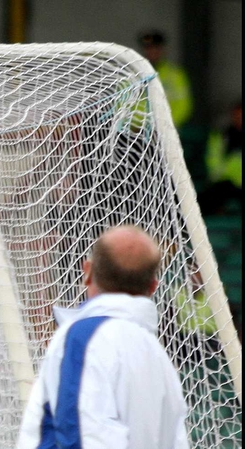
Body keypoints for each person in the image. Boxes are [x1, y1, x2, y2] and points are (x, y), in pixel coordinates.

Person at [16, 225, 189, 449]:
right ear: (153, 286)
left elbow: (82, 434)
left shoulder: (82, 338)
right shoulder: (160, 359)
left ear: (87, 270)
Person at [138, 30, 193, 130]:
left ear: (162, 50)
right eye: (148, 48)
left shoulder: (175, 75)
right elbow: (122, 103)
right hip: (135, 133)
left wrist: (164, 124)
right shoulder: (133, 73)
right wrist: (137, 124)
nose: (152, 52)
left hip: (166, 131)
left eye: (155, 48)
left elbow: (183, 105)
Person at [199, 100, 242, 215]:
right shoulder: (222, 135)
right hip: (224, 182)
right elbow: (213, 161)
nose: (239, 120)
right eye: (237, 116)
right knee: (205, 199)